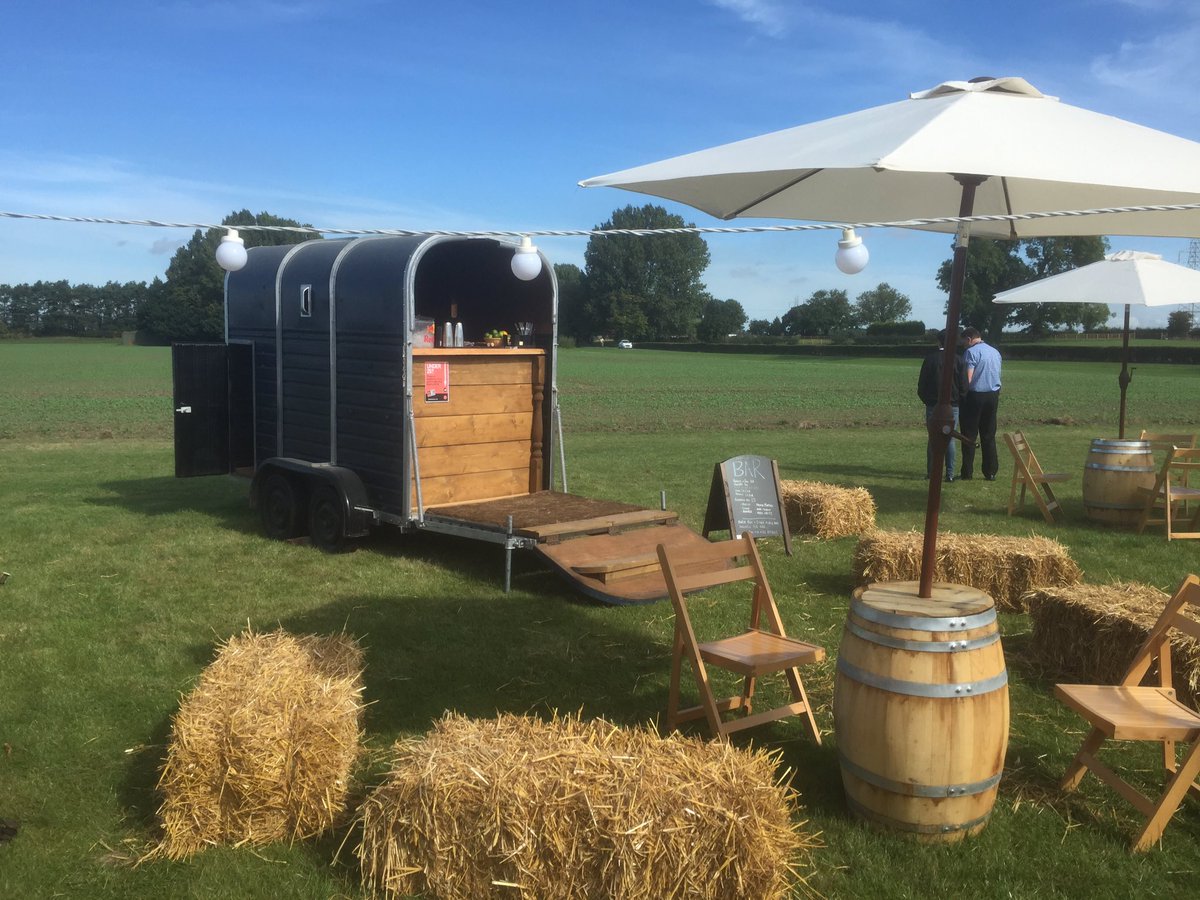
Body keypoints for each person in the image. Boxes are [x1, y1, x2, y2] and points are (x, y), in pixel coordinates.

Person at [917, 330, 968, 482]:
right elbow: (964, 386)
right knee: (950, 438)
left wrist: (928, 400)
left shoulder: (930, 359)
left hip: (933, 404)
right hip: (953, 405)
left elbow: (922, 386)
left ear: (939, 342)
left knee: (933, 438)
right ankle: (950, 474)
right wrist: (958, 400)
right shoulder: (959, 360)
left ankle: (932, 472)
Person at [959, 326, 1003, 481]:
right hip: (993, 395)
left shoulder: (971, 352)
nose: (963, 345)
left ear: (969, 339)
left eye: (964, 341)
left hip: (975, 396)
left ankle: (967, 472)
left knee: (969, 435)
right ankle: (990, 471)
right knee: (989, 434)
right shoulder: (995, 352)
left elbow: (968, 379)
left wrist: (961, 395)